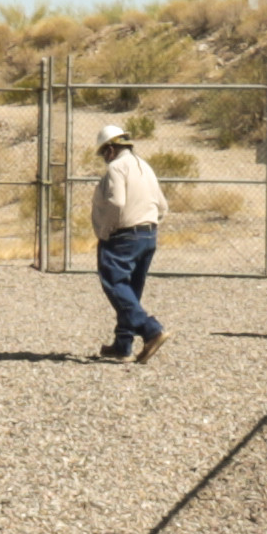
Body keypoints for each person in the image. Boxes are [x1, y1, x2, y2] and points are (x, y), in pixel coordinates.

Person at [88, 124, 167, 363]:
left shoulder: (116, 168)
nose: (104, 158)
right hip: (148, 234)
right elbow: (162, 205)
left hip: (123, 236)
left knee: (115, 283)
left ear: (110, 149)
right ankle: (123, 344)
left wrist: (105, 230)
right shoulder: (145, 166)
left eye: (103, 152)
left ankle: (151, 330)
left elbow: (117, 203)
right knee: (131, 291)